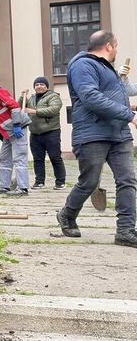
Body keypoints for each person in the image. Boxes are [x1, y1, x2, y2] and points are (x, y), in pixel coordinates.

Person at [56, 31, 137, 248]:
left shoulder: (109, 71)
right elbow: (91, 97)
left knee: (128, 180)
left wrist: (129, 108)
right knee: (89, 182)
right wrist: (130, 116)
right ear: (110, 46)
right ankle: (67, 214)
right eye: (116, 47)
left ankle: (126, 231)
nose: (117, 52)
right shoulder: (83, 65)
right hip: (92, 134)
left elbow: (112, 98)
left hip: (119, 134)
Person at [24, 77, 66, 190]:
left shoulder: (54, 97)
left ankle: (60, 182)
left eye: (42, 84)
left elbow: (53, 110)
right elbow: (20, 107)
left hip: (51, 132)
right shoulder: (31, 99)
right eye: (37, 84)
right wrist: (21, 96)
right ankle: (39, 181)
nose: (39, 86)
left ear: (46, 86)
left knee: (55, 157)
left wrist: (34, 111)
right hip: (35, 133)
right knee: (37, 158)